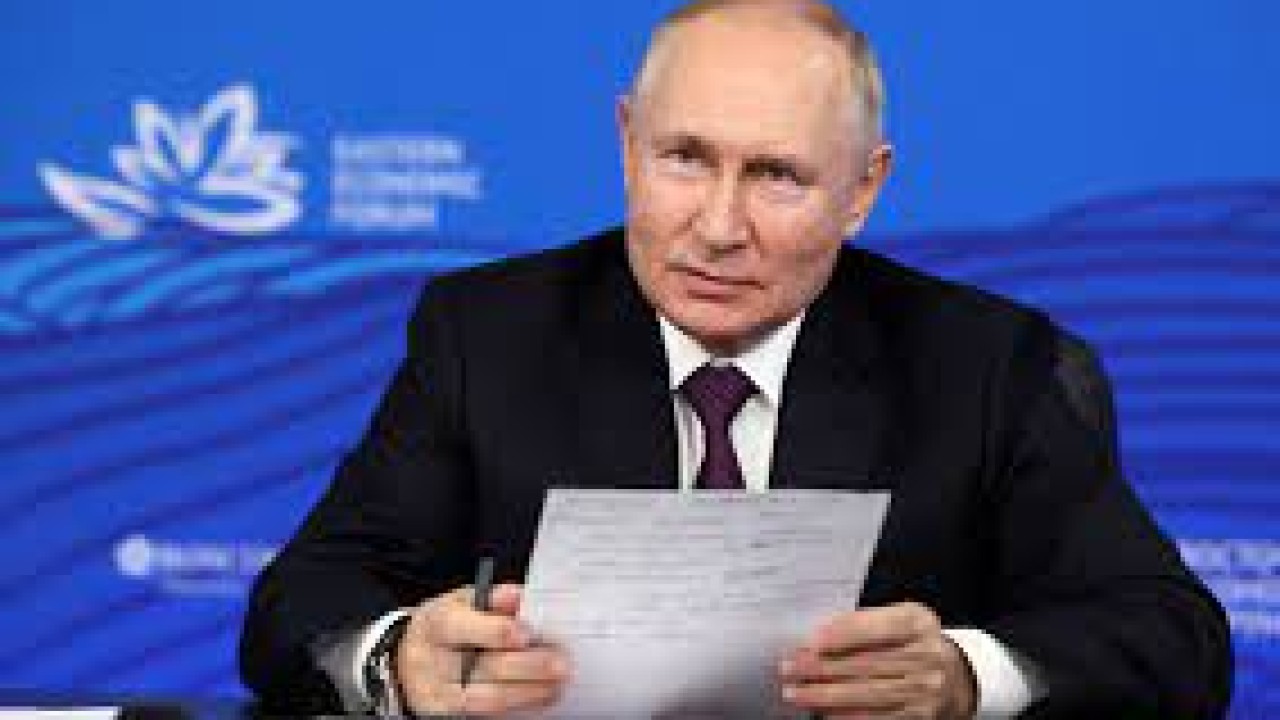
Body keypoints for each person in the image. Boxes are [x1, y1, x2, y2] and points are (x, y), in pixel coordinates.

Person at [239, 1, 1233, 717]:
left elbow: (1171, 636)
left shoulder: (982, 363)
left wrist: (963, 678)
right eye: (684, 158)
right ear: (627, 143)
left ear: (862, 191)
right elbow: (301, 602)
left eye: (776, 176)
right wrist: (398, 661)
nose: (717, 227)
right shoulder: (488, 333)